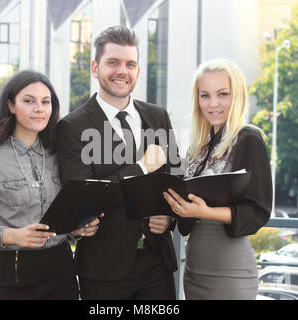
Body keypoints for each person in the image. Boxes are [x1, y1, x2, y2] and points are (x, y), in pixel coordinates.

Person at [57, 26, 181, 300]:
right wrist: (141, 167)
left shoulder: (158, 117)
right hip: (105, 270)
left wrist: (169, 217)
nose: (121, 71)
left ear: (137, 71)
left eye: (130, 64)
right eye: (113, 62)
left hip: (157, 266)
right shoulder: (71, 127)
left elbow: (176, 183)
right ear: (95, 67)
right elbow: (84, 199)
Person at [0, 70, 101, 300]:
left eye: (46, 102)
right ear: (11, 105)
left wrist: (75, 230)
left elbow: (64, 216)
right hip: (11, 276)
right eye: (28, 101)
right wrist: (11, 235)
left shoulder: (59, 155)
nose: (39, 108)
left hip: (62, 272)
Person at [163, 58, 272, 299]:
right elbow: (186, 216)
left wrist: (205, 213)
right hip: (194, 270)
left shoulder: (248, 139)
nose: (213, 104)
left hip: (230, 273)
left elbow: (258, 212)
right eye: (205, 96)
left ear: (237, 97)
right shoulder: (197, 149)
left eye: (222, 94)